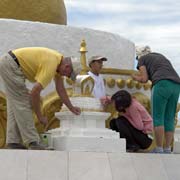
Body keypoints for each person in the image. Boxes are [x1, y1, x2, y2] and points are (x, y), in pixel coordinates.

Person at [0, 47, 81, 150]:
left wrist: (71, 107)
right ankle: (32, 141)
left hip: (9, 63)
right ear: (67, 66)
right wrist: (40, 116)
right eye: (69, 74)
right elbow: (35, 92)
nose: (67, 76)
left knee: (15, 104)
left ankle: (13, 141)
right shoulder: (51, 65)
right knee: (23, 103)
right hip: (11, 65)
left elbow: (60, 89)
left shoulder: (57, 63)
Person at [132, 46, 180, 153]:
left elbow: (144, 79)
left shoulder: (142, 59)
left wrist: (135, 77)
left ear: (139, 55)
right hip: (176, 85)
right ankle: (167, 148)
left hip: (161, 84)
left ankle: (159, 148)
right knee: (169, 118)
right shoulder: (159, 56)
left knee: (158, 117)